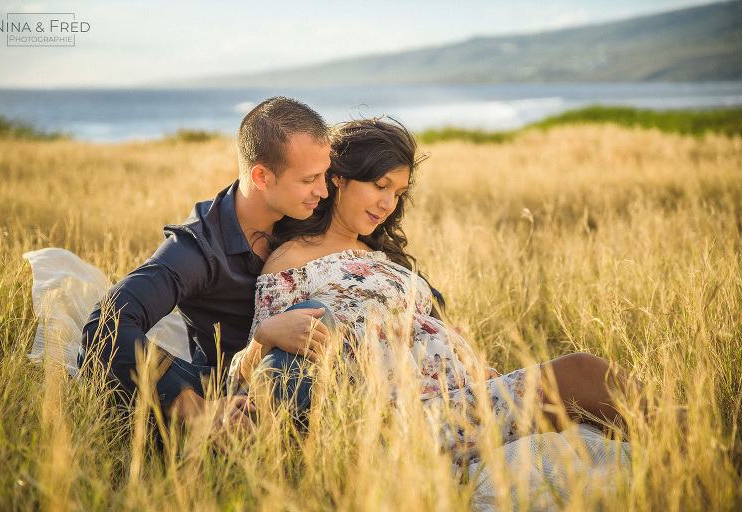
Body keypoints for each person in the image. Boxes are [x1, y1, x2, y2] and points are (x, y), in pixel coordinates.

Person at [239, 117, 650, 458]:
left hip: (460, 396)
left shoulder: (376, 253)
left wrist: (477, 370)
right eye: (380, 186)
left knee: (602, 417)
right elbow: (263, 374)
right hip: (405, 420)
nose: (388, 205)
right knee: (579, 371)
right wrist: (261, 338)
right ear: (339, 178)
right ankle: (695, 434)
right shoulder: (293, 261)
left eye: (398, 193)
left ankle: (687, 441)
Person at [80, 97, 338, 437]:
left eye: (325, 174)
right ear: (261, 176)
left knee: (320, 323)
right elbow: (105, 326)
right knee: (312, 317)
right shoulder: (198, 248)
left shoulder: (308, 210)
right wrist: (199, 409)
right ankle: (250, 443)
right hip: (228, 390)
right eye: (310, 179)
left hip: (317, 375)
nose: (323, 190)